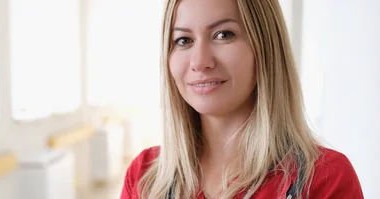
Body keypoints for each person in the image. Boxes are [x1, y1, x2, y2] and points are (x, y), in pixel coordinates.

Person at [120, 0, 364, 198]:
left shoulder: (325, 180)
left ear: (265, 45)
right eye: (184, 40)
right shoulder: (144, 177)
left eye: (223, 34)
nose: (200, 61)